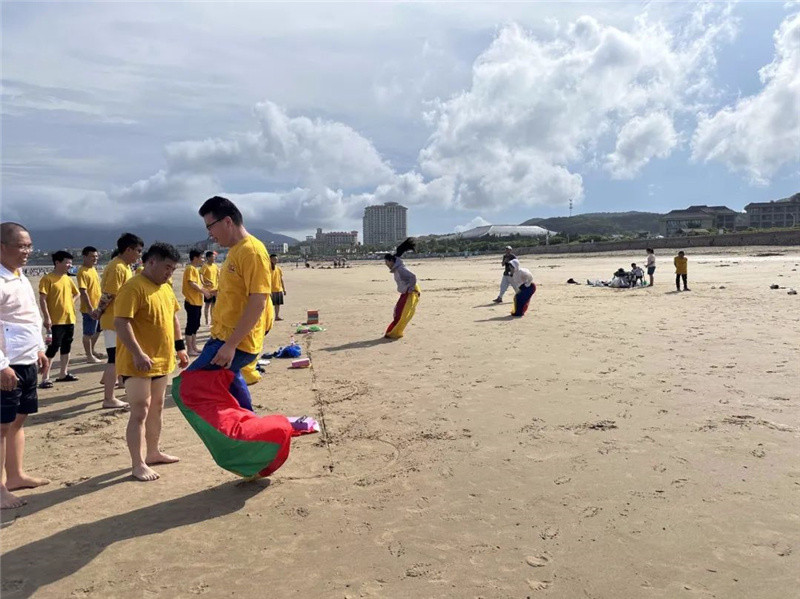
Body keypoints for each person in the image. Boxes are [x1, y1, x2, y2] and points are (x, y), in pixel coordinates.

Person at [190, 196, 273, 412]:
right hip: (222, 336)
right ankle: (249, 426)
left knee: (189, 386)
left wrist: (231, 345)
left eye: (210, 226)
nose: (210, 234)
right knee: (233, 389)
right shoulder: (235, 250)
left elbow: (258, 300)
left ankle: (234, 430)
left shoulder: (252, 251)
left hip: (235, 342)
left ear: (227, 221)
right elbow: (235, 293)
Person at [114, 242, 188, 481]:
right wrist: (137, 353)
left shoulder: (165, 288)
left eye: (173, 269)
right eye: (167, 267)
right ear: (151, 262)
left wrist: (180, 348)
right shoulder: (133, 287)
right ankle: (138, 463)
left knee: (157, 407)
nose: (169, 273)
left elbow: (173, 319)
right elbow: (121, 322)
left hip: (162, 360)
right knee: (140, 411)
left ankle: (153, 452)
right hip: (137, 362)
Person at [0, 222, 50, 509]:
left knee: (18, 420)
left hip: (26, 359)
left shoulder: (18, 277)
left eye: (29, 245)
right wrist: (1, 365)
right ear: (2, 247)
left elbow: (28, 319)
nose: (27, 251)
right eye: (21, 246)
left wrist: (39, 349)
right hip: (7, 365)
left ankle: (16, 475)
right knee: (1, 426)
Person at [94, 232, 143, 408]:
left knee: (118, 357)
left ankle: (117, 384)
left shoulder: (124, 266)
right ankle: (108, 398)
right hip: (114, 320)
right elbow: (109, 294)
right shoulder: (117, 267)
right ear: (128, 249)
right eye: (138, 251)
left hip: (119, 318)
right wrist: (99, 311)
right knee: (114, 358)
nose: (139, 255)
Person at [38, 250, 80, 387]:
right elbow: (42, 299)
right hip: (55, 320)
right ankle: (45, 377)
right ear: (57, 262)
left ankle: (63, 373)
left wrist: (70, 302)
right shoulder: (47, 279)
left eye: (70, 263)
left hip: (69, 318)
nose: (69, 265)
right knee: (53, 347)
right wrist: (46, 317)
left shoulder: (68, 278)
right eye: (67, 262)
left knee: (66, 346)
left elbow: (77, 293)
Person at [384, 238, 420, 339]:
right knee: (399, 311)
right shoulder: (397, 267)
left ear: (391, 261)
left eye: (386, 262)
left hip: (411, 291)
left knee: (403, 313)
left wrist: (411, 289)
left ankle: (395, 332)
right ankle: (394, 331)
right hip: (407, 291)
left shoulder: (400, 268)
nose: (386, 264)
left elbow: (413, 277)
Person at [76, 246, 104, 363]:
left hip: (98, 307)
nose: (95, 258)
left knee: (98, 330)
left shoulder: (93, 269)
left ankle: (92, 350)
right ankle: (89, 356)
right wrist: (90, 308)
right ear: (85, 257)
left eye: (96, 256)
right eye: (92, 256)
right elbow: (83, 291)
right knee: (88, 333)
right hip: (89, 308)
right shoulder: (82, 272)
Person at [182, 249, 210, 355]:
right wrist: (204, 291)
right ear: (195, 258)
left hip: (197, 302)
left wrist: (206, 289)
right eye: (201, 257)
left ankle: (194, 347)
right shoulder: (190, 268)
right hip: (191, 302)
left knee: (195, 325)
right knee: (191, 326)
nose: (203, 259)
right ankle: (189, 349)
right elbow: (192, 283)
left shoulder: (195, 269)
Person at [200, 250, 219, 326]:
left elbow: (219, 275)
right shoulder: (205, 266)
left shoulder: (215, 266)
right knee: (207, 305)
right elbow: (201, 274)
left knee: (213, 306)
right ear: (208, 258)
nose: (214, 258)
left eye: (214, 257)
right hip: (208, 289)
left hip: (215, 289)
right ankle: (206, 320)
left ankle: (212, 320)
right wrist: (203, 282)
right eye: (212, 257)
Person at [270, 254, 286, 321]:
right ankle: (269, 318)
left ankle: (277, 316)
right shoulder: (268, 268)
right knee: (269, 305)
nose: (275, 261)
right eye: (274, 259)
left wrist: (284, 289)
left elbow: (281, 279)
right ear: (270, 260)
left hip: (279, 289)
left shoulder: (278, 269)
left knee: (277, 304)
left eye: (276, 259)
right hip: (271, 290)